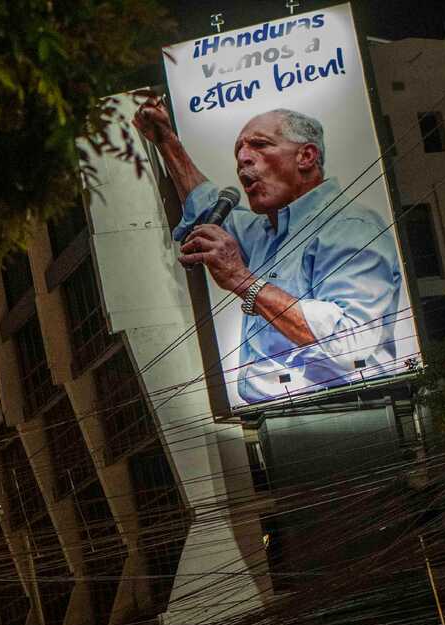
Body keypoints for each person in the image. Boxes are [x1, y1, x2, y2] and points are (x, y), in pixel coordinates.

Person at [133, 97, 407, 404]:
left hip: (346, 416)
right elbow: (206, 203)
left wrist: (241, 279)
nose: (243, 159)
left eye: (260, 145)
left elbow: (351, 341)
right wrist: (167, 142)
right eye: (239, 151)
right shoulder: (267, 231)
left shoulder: (349, 226)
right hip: (284, 423)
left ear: (306, 156)